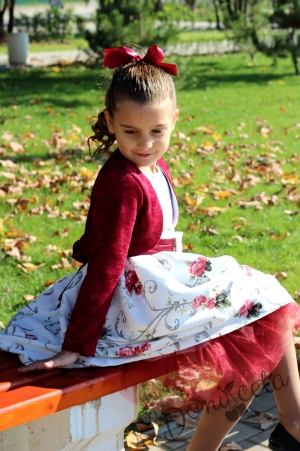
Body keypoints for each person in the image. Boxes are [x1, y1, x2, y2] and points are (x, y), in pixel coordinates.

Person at [1, 45, 300, 451]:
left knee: (261, 318)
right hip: (129, 304)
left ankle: (287, 426)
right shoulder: (122, 182)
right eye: (131, 132)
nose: (145, 144)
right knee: (263, 303)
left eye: (157, 132)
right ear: (111, 121)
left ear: (174, 120)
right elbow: (106, 262)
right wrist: (76, 345)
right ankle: (292, 425)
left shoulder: (152, 166)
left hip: (157, 288)